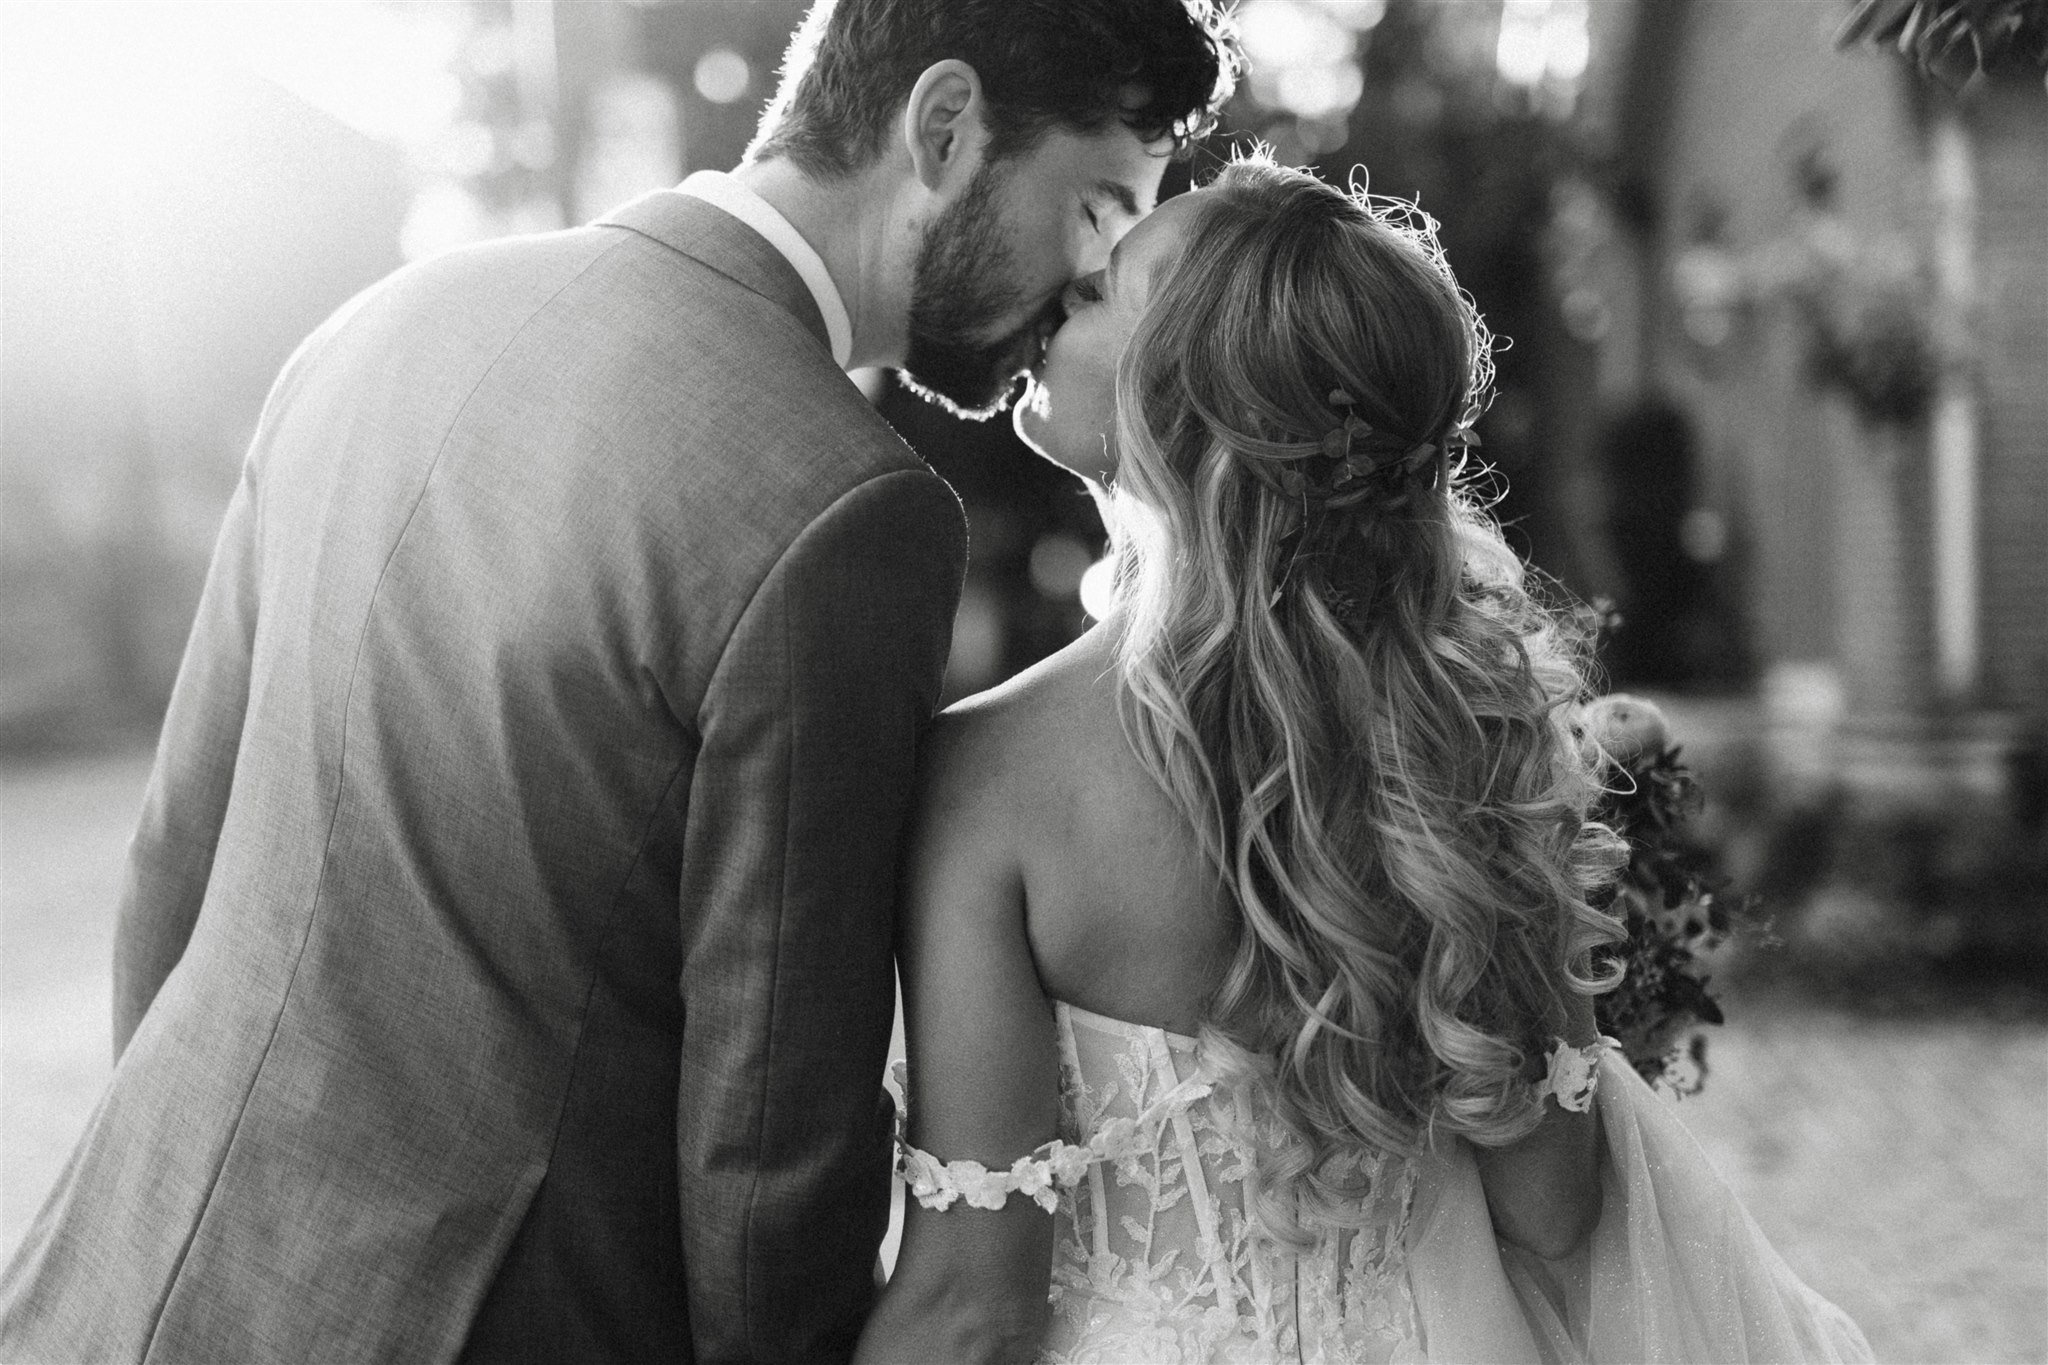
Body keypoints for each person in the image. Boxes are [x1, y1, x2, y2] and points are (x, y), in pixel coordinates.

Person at [0, 4, 1236, 1362]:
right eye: (1099, 209)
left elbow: (173, 867)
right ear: (944, 130)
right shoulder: (841, 505)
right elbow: (770, 1146)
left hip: (107, 1282)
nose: (1090, 277)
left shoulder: (373, 327)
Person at [856, 159, 1874, 1363]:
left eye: (1090, 297)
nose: (1045, 304)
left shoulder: (991, 782)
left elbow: (973, 1308)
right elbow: (1552, 1214)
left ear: (1179, 396)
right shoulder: (1461, 743)